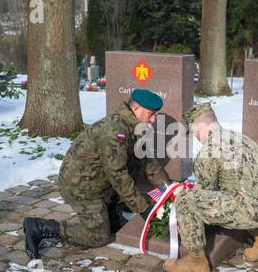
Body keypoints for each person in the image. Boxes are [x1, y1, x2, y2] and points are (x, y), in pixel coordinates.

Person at [23, 89, 170, 259]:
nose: (152, 120)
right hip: (81, 187)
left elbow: (147, 162)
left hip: (99, 182)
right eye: (150, 115)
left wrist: (168, 190)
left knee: (117, 221)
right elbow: (118, 175)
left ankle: (112, 214)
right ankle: (40, 227)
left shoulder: (135, 127)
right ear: (136, 109)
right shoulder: (114, 132)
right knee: (99, 235)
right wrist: (144, 209)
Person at [164, 103, 258, 272]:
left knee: (185, 200)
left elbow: (205, 192)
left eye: (194, 132)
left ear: (199, 125)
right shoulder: (244, 139)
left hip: (251, 211)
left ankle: (196, 262)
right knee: (242, 191)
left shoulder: (209, 150)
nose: (196, 138)